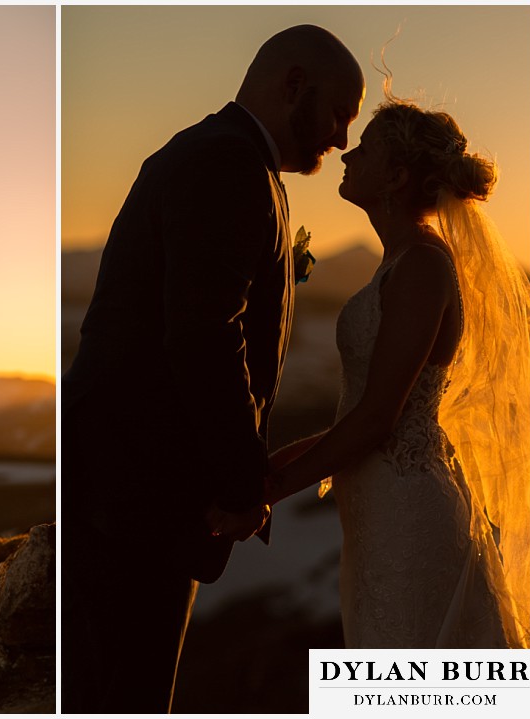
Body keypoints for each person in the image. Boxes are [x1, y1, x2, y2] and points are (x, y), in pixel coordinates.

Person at [62, 25, 365, 712]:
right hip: (138, 483)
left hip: (131, 478)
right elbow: (203, 334)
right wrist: (240, 482)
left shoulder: (215, 156)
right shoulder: (226, 165)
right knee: (125, 690)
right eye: (339, 114)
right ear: (293, 86)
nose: (342, 138)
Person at [263, 88, 530, 648]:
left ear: (397, 177)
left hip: (409, 516)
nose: (346, 156)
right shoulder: (399, 263)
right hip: (377, 509)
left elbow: (379, 420)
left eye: (364, 149)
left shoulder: (424, 267)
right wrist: (267, 472)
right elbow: (364, 411)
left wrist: (268, 491)